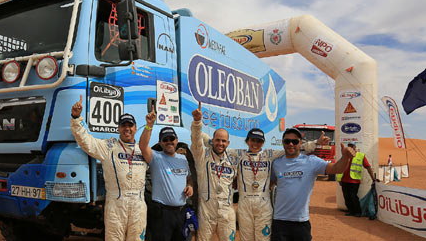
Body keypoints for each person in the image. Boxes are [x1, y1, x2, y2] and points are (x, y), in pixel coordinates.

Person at [70, 95, 148, 241]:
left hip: (138, 205)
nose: (127, 129)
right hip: (116, 205)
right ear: (118, 128)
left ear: (135, 128)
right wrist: (75, 118)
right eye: (123, 125)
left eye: (130, 125)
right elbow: (86, 141)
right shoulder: (109, 147)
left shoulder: (143, 150)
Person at [233, 128, 327, 241]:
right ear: (247, 141)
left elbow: (294, 148)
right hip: (244, 203)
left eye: (259, 141)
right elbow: (219, 148)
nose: (255, 144)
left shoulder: (269, 154)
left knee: (263, 239)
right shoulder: (238, 154)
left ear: (263, 143)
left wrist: (316, 142)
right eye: (253, 140)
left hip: (263, 203)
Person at [271, 128, 355, 241]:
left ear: (301, 143)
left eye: (295, 141)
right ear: (283, 143)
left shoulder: (312, 162)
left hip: (301, 222)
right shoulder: (276, 163)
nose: (291, 144)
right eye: (287, 141)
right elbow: (271, 184)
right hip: (279, 221)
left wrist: (345, 157)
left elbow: (336, 169)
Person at [139, 107, 193, 241]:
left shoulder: (183, 159)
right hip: (162, 215)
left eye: (172, 138)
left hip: (181, 213)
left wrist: (190, 186)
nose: (169, 142)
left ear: (177, 139)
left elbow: (188, 178)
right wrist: (149, 125)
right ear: (160, 142)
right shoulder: (156, 157)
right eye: (165, 139)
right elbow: (143, 146)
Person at [190, 102, 237, 241]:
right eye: (217, 140)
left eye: (223, 141)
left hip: (227, 211)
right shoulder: (202, 156)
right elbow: (196, 140)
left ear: (228, 143)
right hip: (206, 211)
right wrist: (197, 122)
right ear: (212, 141)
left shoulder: (233, 161)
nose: (220, 143)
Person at [336, 143, 377, 217]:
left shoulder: (361, 156)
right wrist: (339, 179)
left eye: (352, 146)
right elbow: (339, 167)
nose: (350, 148)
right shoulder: (344, 155)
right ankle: (351, 211)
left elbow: (368, 167)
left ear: (355, 147)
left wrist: (373, 178)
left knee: (353, 196)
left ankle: (358, 212)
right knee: (346, 196)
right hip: (344, 180)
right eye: (349, 146)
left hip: (354, 180)